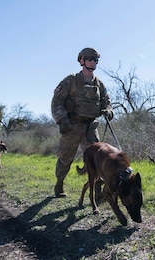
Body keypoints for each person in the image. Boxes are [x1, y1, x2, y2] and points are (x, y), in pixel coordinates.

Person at [51, 47, 113, 198]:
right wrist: (61, 120)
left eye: (95, 60)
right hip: (72, 125)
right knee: (66, 157)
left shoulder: (99, 84)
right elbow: (57, 101)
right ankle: (59, 183)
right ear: (81, 60)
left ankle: (98, 190)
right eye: (89, 59)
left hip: (90, 127)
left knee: (97, 158)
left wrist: (108, 111)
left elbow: (107, 102)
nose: (93, 62)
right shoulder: (70, 81)